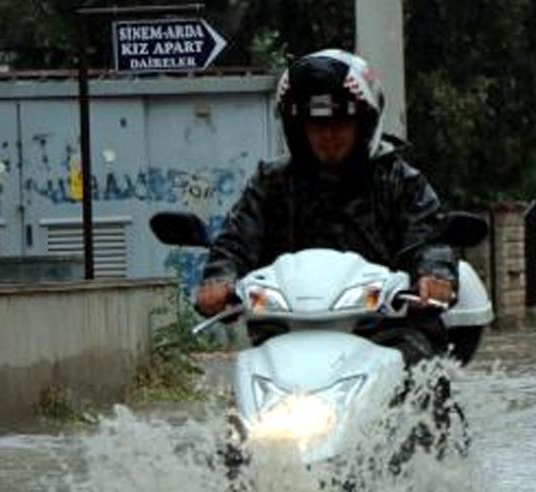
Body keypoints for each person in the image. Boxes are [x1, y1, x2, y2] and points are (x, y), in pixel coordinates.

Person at [194, 48, 458, 362]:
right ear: (299, 129)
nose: (328, 135)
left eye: (340, 122)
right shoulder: (272, 183)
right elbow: (236, 240)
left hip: (386, 332)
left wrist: (433, 276)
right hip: (288, 332)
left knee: (424, 375)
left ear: (363, 124)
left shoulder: (400, 181)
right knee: (244, 386)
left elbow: (429, 240)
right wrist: (219, 280)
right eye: (317, 125)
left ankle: (428, 412)